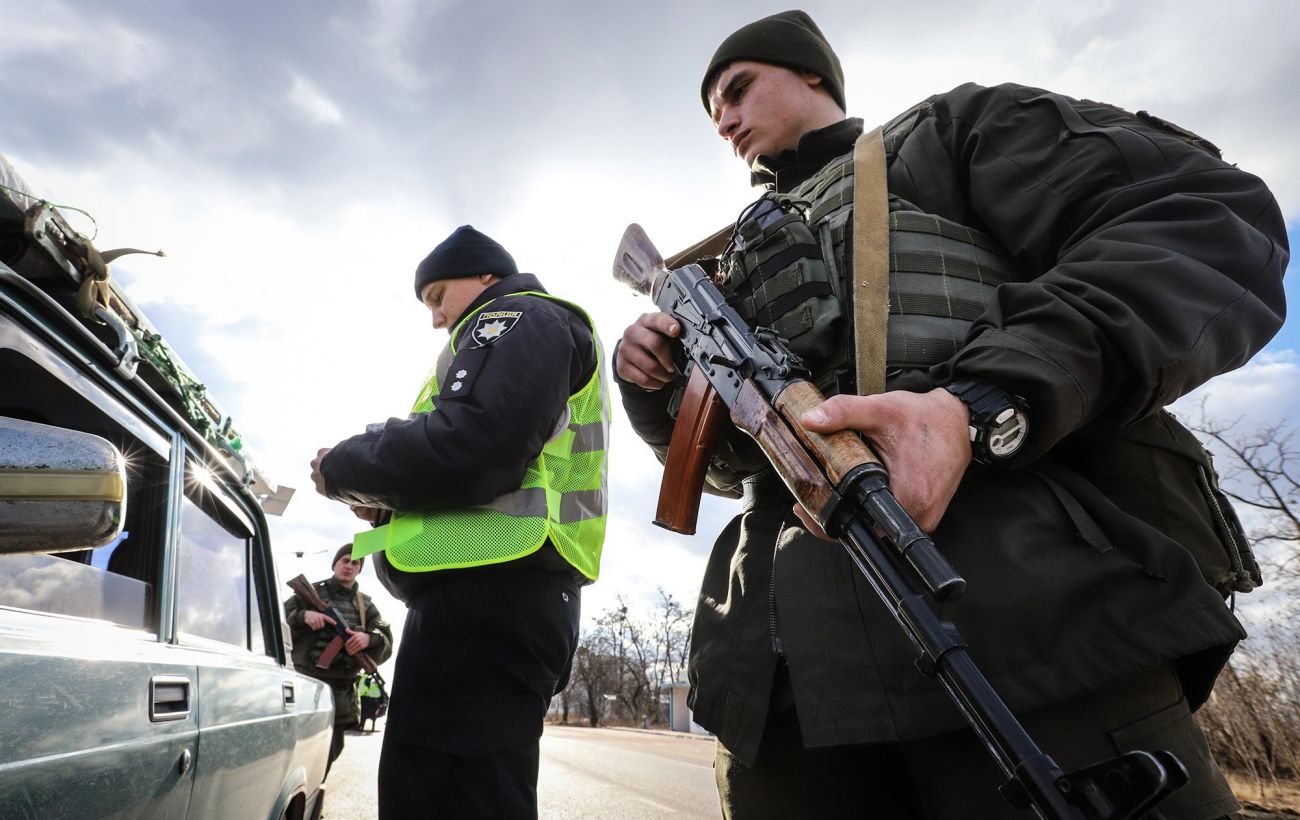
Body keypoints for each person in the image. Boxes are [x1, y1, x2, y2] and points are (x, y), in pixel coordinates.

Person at [615, 10, 1288, 819]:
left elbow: (1201, 217)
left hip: (1025, 618)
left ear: (812, 76)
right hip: (778, 683)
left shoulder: (947, 134)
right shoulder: (721, 264)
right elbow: (727, 470)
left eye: (737, 89)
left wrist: (979, 404)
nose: (723, 119)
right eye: (713, 111)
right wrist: (655, 385)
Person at [309, 225, 609, 819]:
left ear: (486, 278)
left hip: (489, 601)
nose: (435, 317)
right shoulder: (521, 331)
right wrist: (387, 504)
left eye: (438, 295)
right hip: (489, 599)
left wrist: (344, 465)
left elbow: (474, 447)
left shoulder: (518, 316)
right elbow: (487, 462)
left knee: (452, 799)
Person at [285, 544, 394, 778]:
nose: (349, 566)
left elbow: (386, 640)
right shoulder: (310, 593)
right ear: (334, 564)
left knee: (331, 750)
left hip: (342, 690)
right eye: (345, 560)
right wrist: (303, 616)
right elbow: (275, 617)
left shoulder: (366, 605)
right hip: (307, 682)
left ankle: (316, 793)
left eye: (355, 563)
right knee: (294, 748)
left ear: (359, 570)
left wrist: (369, 638)